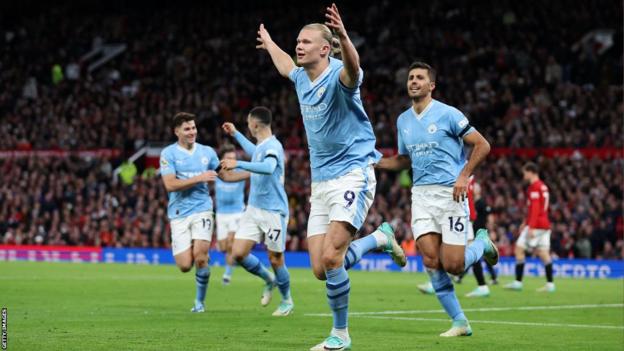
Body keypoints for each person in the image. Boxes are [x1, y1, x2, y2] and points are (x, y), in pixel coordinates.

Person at [257, 4, 406, 349]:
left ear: (325, 49)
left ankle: (340, 334)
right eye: (297, 41)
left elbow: (355, 70)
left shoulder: (339, 75)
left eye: (306, 42)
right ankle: (380, 240)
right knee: (321, 268)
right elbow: (284, 66)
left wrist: (343, 35)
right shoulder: (300, 77)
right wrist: (270, 42)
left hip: (353, 174)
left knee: (331, 257)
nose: (299, 46)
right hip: (321, 182)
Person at [376, 61, 498, 337]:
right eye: (410, 78)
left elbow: (483, 144)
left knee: (454, 264)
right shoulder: (403, 120)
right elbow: (404, 160)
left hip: (450, 194)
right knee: (431, 261)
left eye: (420, 78)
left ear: (432, 85)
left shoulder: (448, 114)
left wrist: (464, 176)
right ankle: (460, 322)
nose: (414, 81)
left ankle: (482, 243)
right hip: (421, 195)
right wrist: (377, 163)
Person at [220, 106, 294, 317]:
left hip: (273, 211)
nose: (247, 126)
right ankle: (269, 279)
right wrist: (235, 134)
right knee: (239, 253)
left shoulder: (274, 146)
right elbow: (255, 154)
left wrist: (237, 163)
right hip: (253, 209)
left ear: (255, 124)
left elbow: (269, 167)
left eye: (248, 122)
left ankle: (287, 300)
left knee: (276, 258)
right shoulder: (262, 146)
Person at [159, 112, 219, 313]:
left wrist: (249, 170)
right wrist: (199, 178)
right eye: (187, 129)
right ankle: (198, 252)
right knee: (185, 265)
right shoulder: (168, 154)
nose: (192, 132)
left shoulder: (208, 152)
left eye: (193, 127)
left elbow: (223, 176)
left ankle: (199, 303)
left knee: (200, 257)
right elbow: (170, 184)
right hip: (179, 212)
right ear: (177, 132)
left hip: (203, 208)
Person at [505, 162, 555, 292]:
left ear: (531, 172)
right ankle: (550, 285)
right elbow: (539, 208)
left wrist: (531, 226)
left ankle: (518, 282)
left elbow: (536, 208)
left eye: (525, 172)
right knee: (544, 253)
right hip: (545, 224)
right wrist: (525, 222)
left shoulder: (534, 187)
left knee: (519, 249)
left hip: (537, 224)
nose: (524, 175)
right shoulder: (543, 186)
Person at [215, 144, 246, 285]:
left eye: (234, 158)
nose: (232, 161)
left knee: (230, 243)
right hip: (221, 214)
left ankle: (227, 274)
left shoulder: (242, 170)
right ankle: (240, 257)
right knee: (222, 247)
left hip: (237, 212)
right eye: (228, 158)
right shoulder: (217, 171)